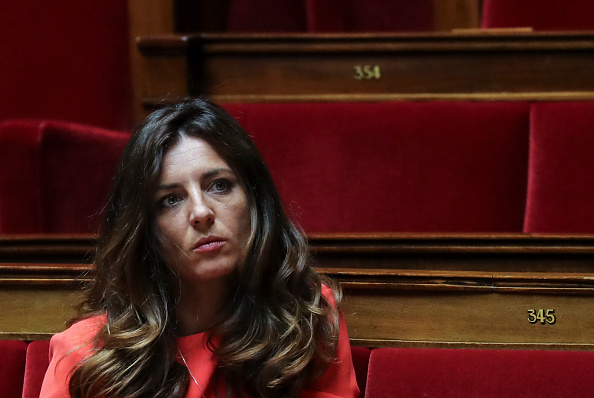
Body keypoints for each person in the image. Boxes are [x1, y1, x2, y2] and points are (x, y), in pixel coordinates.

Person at [40, 98, 359, 398]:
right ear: (146, 230)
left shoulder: (305, 318)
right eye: (170, 200)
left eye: (219, 185)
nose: (201, 212)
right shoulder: (85, 354)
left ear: (254, 200)